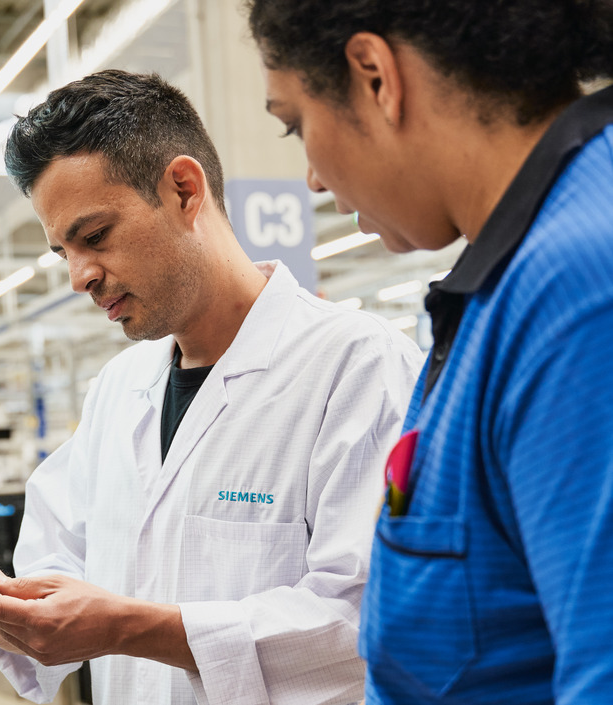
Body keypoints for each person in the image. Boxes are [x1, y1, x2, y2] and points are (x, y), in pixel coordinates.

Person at [0, 70, 422, 705]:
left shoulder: (357, 367)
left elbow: (367, 619)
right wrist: (0, 606)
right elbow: (59, 564)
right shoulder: (117, 391)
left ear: (184, 190)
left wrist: (131, 627)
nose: (79, 276)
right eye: (62, 252)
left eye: (95, 236)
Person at [246, 1, 613, 703]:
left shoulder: (582, 290)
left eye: (296, 125)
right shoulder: (504, 284)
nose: (313, 180)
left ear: (376, 76)